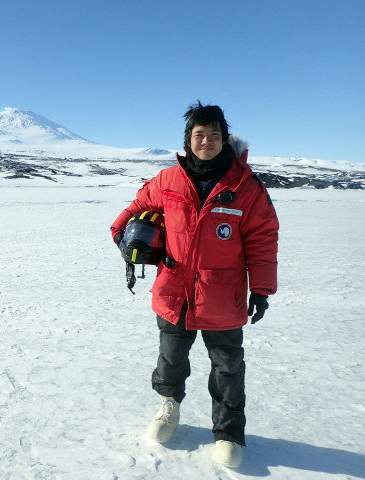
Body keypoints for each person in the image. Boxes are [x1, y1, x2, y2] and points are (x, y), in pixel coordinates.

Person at [110, 101, 279, 468]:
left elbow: (263, 237)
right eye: (199, 135)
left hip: (224, 293)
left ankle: (229, 431)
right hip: (174, 289)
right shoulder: (168, 180)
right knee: (171, 357)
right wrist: (121, 234)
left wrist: (261, 289)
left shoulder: (246, 187)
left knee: (227, 365)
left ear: (224, 139)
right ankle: (168, 407)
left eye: (214, 135)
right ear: (189, 140)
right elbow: (138, 205)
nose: (207, 141)